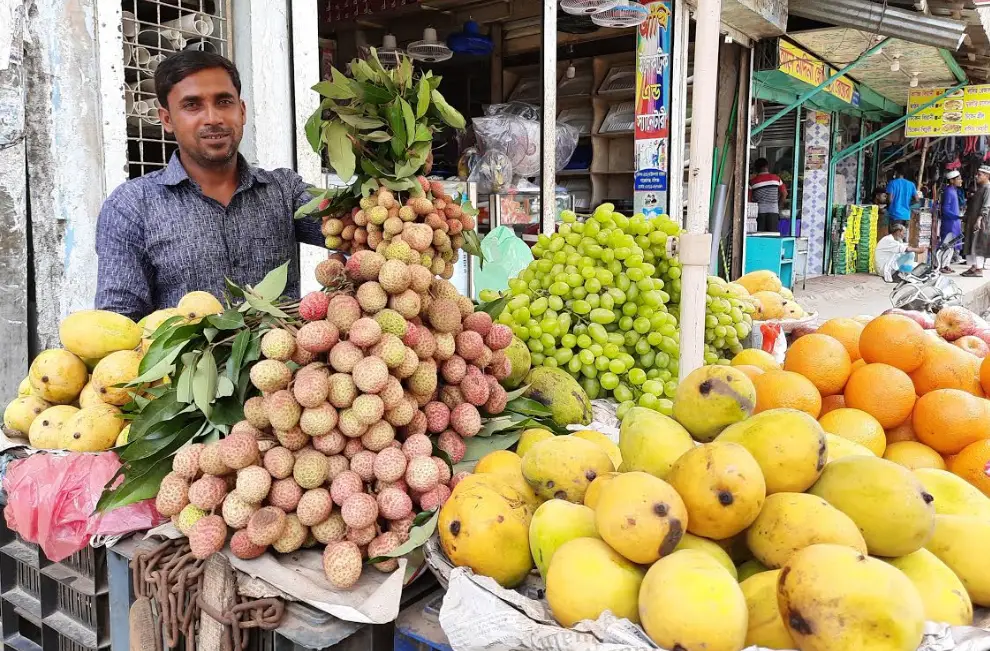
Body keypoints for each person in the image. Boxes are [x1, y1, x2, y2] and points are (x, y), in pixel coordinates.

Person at [94, 51, 325, 320]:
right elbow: (119, 321)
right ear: (167, 119)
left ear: (242, 110)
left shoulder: (285, 190)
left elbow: (356, 228)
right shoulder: (132, 206)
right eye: (192, 105)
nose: (213, 117)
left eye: (224, 101)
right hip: (187, 363)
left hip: (283, 359)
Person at [962, 165, 990, 277]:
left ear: (987, 176)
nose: (976, 176)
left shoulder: (988, 188)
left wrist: (979, 219)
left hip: (981, 221)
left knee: (978, 244)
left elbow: (986, 206)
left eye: (980, 174)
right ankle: (973, 267)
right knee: (971, 243)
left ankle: (979, 269)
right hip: (973, 220)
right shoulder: (981, 187)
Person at [749, 158, 788, 233]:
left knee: (760, 236)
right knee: (772, 236)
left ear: (756, 168)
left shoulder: (752, 182)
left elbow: (749, 200)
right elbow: (785, 193)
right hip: (773, 212)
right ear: (767, 166)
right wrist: (778, 206)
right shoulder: (776, 178)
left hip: (759, 213)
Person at [939, 170, 964, 272]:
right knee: (947, 244)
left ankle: (946, 264)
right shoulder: (949, 191)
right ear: (952, 180)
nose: (960, 180)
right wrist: (957, 217)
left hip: (954, 222)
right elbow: (945, 209)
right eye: (958, 179)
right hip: (950, 223)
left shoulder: (953, 190)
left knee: (951, 245)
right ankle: (941, 265)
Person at [885, 165, 921, 229]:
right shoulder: (911, 184)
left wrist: (887, 206)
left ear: (895, 172)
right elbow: (917, 200)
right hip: (906, 216)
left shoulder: (892, 183)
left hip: (895, 215)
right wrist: (907, 204)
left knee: (894, 238)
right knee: (902, 237)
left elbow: (889, 200)